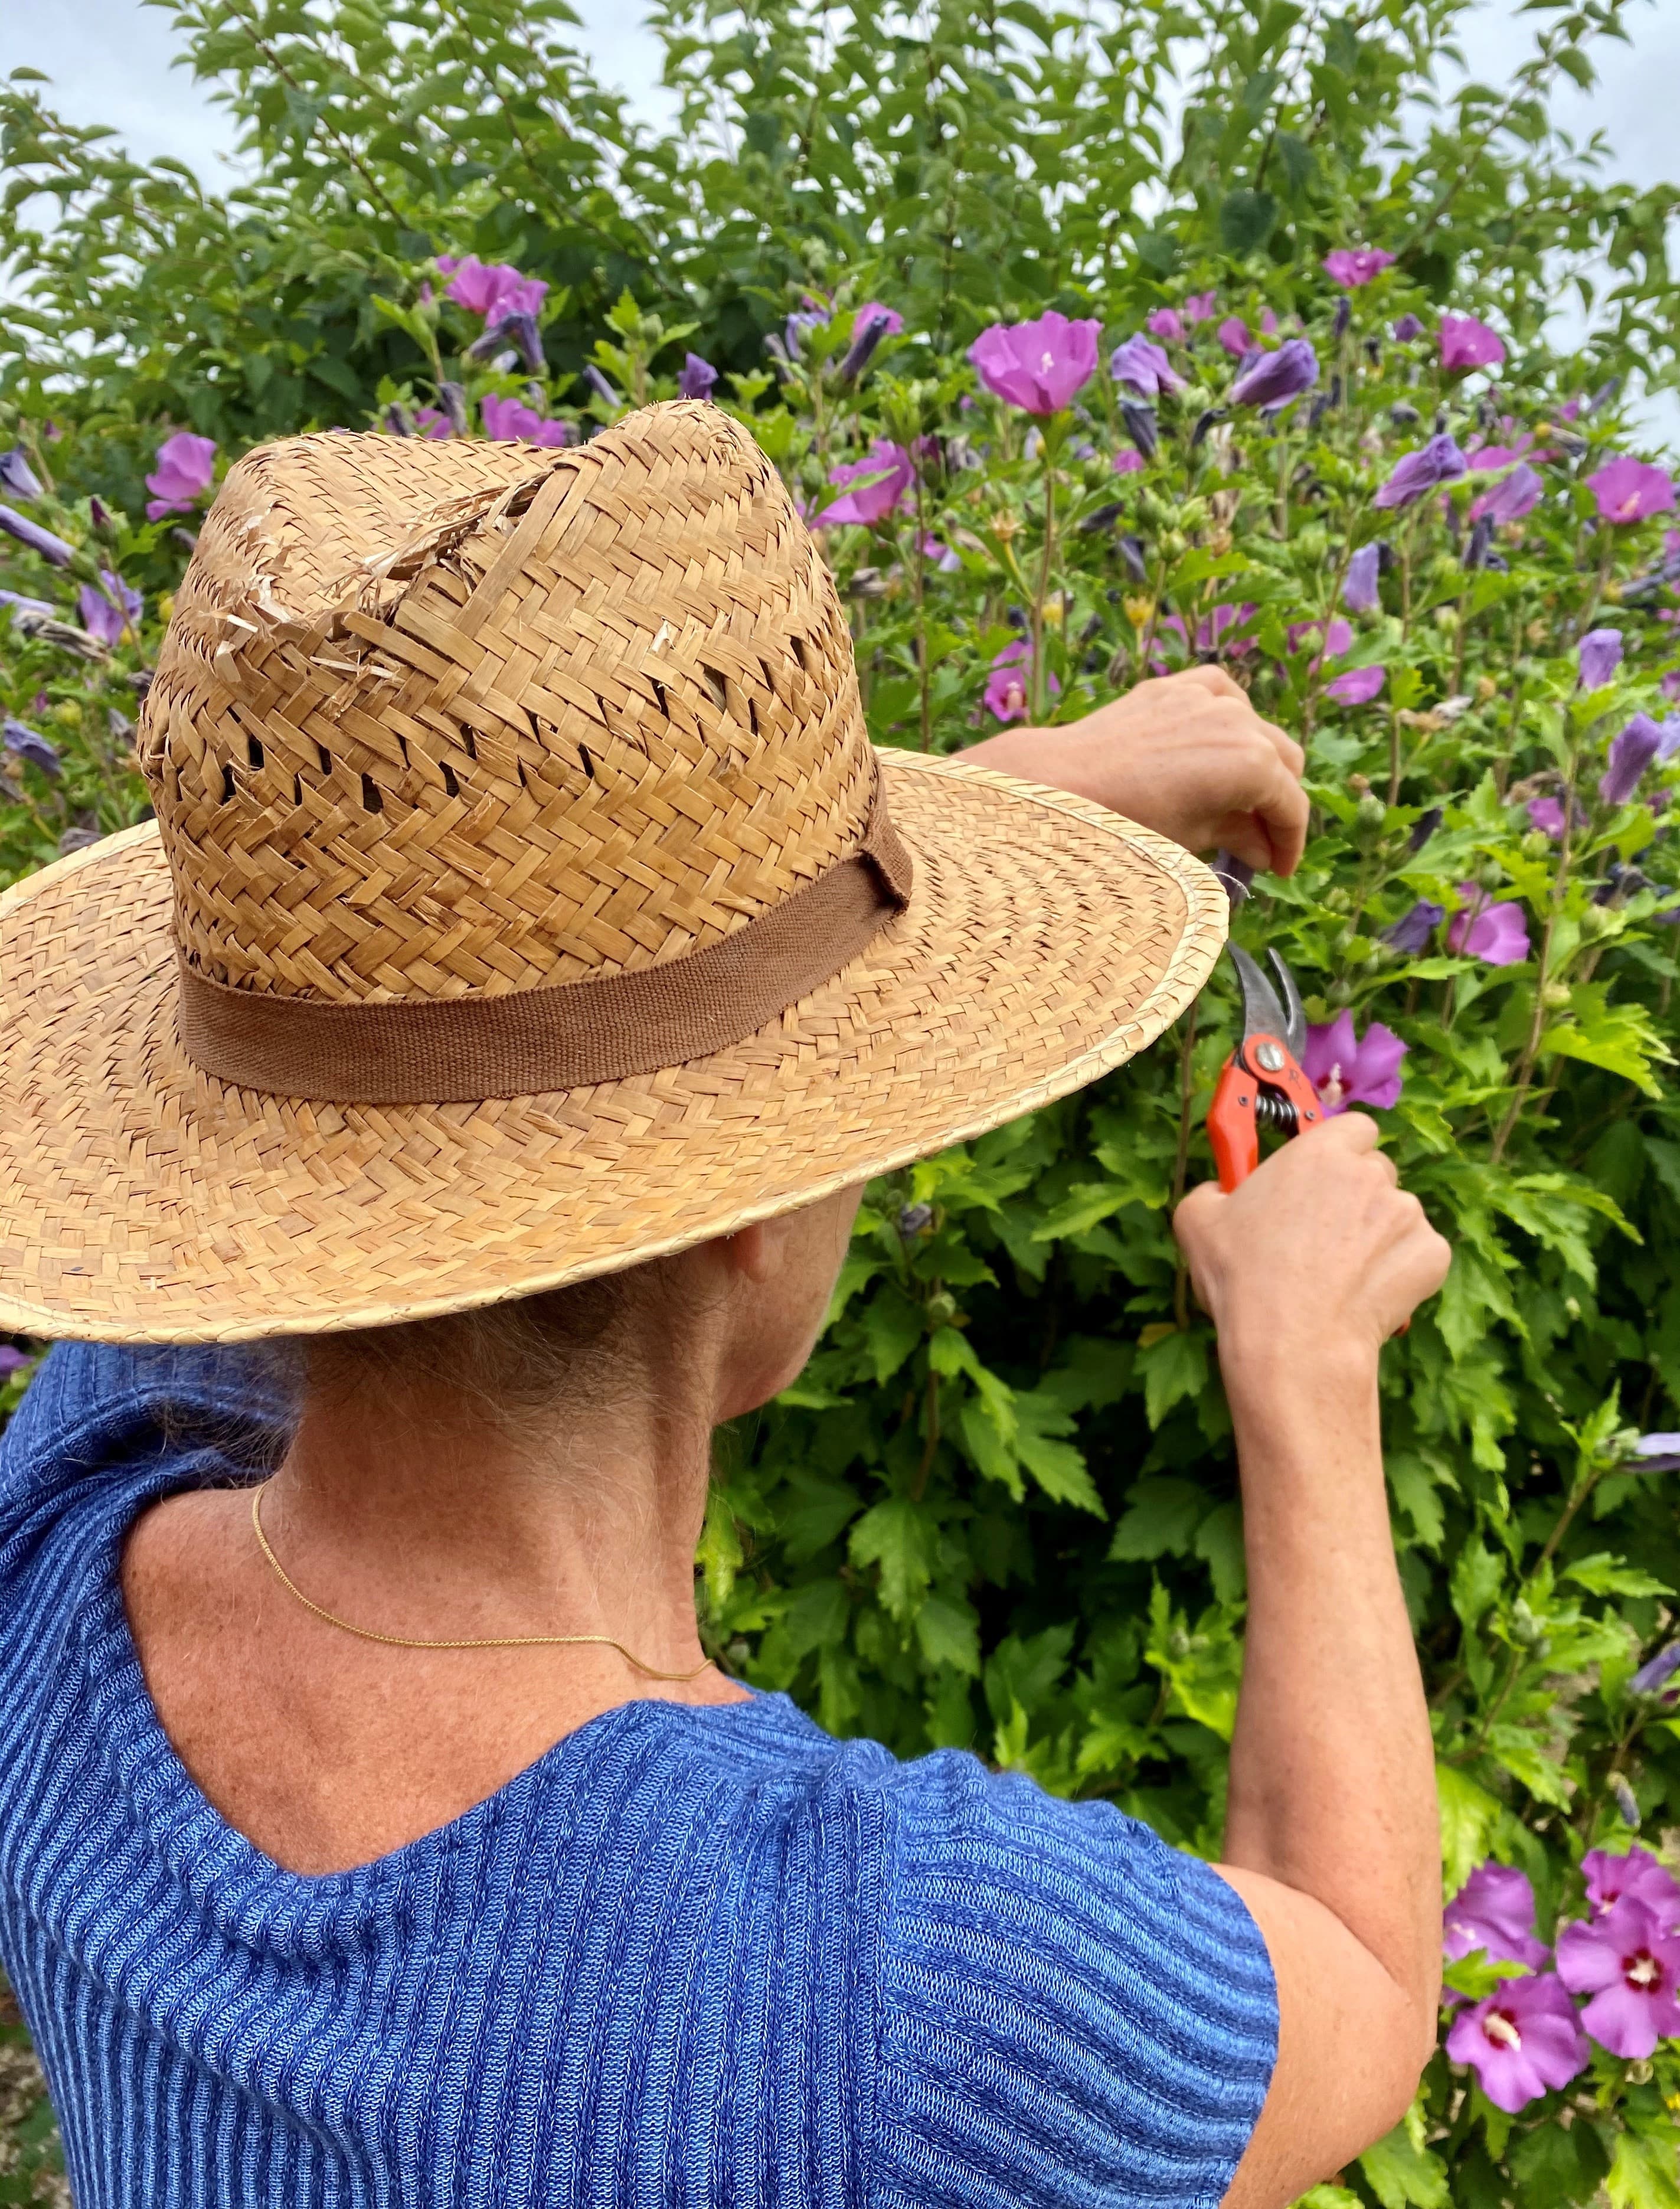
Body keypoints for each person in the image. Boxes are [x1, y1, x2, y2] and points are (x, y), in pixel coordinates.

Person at [0, 401, 1449, 2209]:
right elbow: (1360, 1973)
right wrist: (1307, 1373)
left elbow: (276, 1208)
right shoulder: (910, 1995)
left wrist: (973, 814)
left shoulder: (50, 1571)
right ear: (751, 1208)